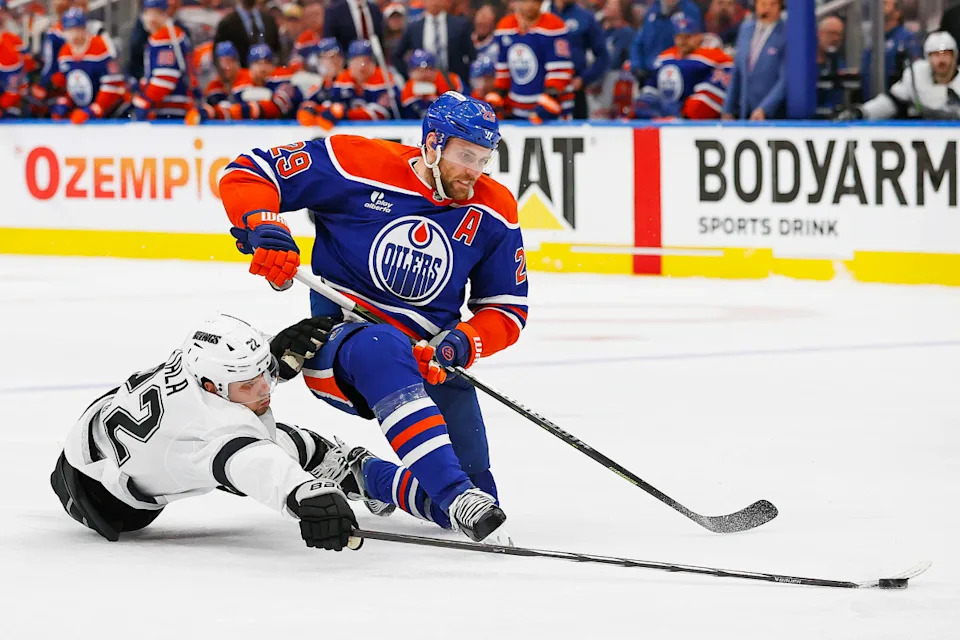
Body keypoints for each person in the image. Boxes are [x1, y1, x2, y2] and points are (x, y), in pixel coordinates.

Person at [217, 92, 526, 543]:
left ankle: (367, 475)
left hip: (428, 360)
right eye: (465, 156)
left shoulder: (494, 208)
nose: (474, 171)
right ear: (432, 144)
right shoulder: (355, 162)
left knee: (463, 507)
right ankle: (456, 493)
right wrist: (265, 227)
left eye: (483, 159)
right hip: (339, 347)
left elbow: (506, 309)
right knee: (384, 348)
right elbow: (250, 171)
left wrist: (458, 344)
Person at [50, 313, 366, 551]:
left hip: (97, 435)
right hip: (109, 504)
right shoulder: (209, 426)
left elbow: (225, 353)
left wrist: (269, 353)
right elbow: (257, 462)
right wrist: (306, 492)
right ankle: (340, 470)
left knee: (250, 443)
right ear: (212, 388)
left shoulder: (195, 362)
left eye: (264, 372)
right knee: (284, 445)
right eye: (249, 384)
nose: (264, 388)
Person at [838, 31, 959, 120]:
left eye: (946, 54)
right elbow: (890, 102)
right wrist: (862, 112)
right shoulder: (915, 76)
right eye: (936, 55)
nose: (941, 60)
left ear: (955, 57)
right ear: (928, 58)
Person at [633, 14, 731, 119]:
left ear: (699, 36)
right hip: (665, 113)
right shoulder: (664, 57)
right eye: (679, 37)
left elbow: (722, 84)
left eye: (687, 37)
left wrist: (685, 111)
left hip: (694, 119)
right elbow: (650, 88)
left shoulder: (714, 56)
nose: (682, 42)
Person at [494, 0, 574, 121]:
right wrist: (500, 97)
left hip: (553, 109)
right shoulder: (504, 27)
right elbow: (503, 69)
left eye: (536, 1)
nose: (531, 5)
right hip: (518, 107)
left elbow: (560, 71)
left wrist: (549, 101)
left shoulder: (554, 25)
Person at [49, 8, 126, 124]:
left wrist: (95, 109)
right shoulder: (64, 53)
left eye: (77, 29)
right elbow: (72, 85)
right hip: (86, 111)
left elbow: (114, 84)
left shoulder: (101, 46)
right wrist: (66, 102)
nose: (74, 35)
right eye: (69, 30)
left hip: (112, 112)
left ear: (85, 29)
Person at [721, 0, 785, 120]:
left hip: (772, 115)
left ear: (780, 7)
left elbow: (785, 80)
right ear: (756, 5)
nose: (767, 9)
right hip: (745, 110)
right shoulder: (746, 29)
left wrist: (764, 109)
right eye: (763, 4)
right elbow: (737, 72)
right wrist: (728, 109)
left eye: (772, 4)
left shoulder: (786, 34)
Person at [133, 0, 195, 120]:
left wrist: (145, 100)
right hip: (175, 105)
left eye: (150, 13)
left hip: (171, 107)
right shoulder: (172, 33)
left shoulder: (165, 36)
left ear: (161, 14)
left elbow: (165, 78)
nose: (146, 18)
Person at [546, 0, 609, 119]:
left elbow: (603, 56)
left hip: (574, 89)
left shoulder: (585, 17)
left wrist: (584, 78)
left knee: (575, 128)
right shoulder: (541, 13)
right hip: (543, 90)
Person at [393, 0, 474, 84]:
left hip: (453, 81)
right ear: (424, 2)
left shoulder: (460, 25)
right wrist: (409, 75)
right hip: (424, 82)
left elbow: (472, 55)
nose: (434, 2)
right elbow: (397, 55)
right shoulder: (414, 28)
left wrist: (465, 76)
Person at [628, 0, 703, 84]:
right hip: (649, 73)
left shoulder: (689, 10)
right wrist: (637, 66)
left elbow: (694, 42)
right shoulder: (652, 10)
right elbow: (637, 43)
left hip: (676, 74)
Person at [860, 0, 921, 98]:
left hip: (894, 102)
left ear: (898, 12)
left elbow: (914, 73)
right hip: (870, 101)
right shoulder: (874, 40)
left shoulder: (906, 38)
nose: (880, 6)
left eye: (885, 3)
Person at [226, 43, 300, 119]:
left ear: (273, 66)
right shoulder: (243, 83)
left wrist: (247, 110)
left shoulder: (281, 80)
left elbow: (277, 107)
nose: (263, 68)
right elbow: (232, 106)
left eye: (267, 63)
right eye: (258, 63)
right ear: (250, 67)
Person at [214, 0, 281, 70]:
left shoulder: (269, 19)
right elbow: (218, 56)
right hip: (240, 73)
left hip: (270, 71)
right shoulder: (226, 23)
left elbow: (277, 48)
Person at [296, 37, 345, 127]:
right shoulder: (318, 86)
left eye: (331, 57)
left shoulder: (348, 82)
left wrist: (333, 111)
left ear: (340, 59)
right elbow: (305, 110)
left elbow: (350, 107)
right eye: (322, 57)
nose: (326, 62)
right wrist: (312, 110)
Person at [399, 48, 463, 118]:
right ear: (411, 72)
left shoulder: (450, 80)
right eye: (419, 70)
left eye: (429, 69)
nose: (424, 74)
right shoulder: (408, 89)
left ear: (435, 70)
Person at [816, 15, 846, 118]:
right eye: (831, 33)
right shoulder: (803, 64)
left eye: (839, 34)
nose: (835, 38)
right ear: (819, 34)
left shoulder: (839, 64)